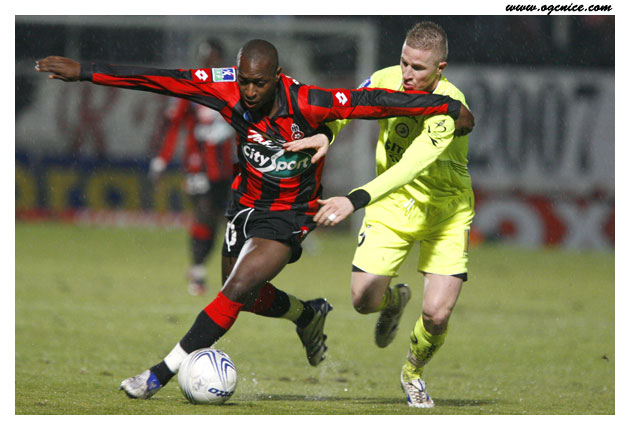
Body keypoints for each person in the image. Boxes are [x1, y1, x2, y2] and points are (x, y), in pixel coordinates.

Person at [35, 38, 474, 400]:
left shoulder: (308, 101)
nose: (248, 91)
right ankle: (306, 314)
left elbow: (372, 101)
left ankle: (158, 374)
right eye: (243, 80)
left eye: (258, 83)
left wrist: (447, 108)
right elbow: (163, 80)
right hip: (244, 205)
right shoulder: (225, 88)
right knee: (242, 296)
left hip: (290, 214)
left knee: (235, 288)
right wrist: (86, 72)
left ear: (277, 77)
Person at [284, 21, 473, 408]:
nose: (407, 73)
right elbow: (347, 107)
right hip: (392, 205)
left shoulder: (450, 105)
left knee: (437, 315)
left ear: (440, 69)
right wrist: (327, 133)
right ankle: (394, 301)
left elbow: (412, 165)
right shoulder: (385, 79)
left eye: (418, 68)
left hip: (445, 211)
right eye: (404, 62)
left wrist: (354, 200)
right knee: (363, 301)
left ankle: (413, 373)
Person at [148, 39, 236, 296]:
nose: (209, 62)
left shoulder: (233, 87)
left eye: (213, 57)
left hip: (224, 167)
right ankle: (197, 271)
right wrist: (162, 160)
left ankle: (201, 265)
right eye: (205, 58)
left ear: (220, 58)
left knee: (217, 219)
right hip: (198, 163)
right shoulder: (191, 87)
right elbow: (174, 124)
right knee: (203, 212)